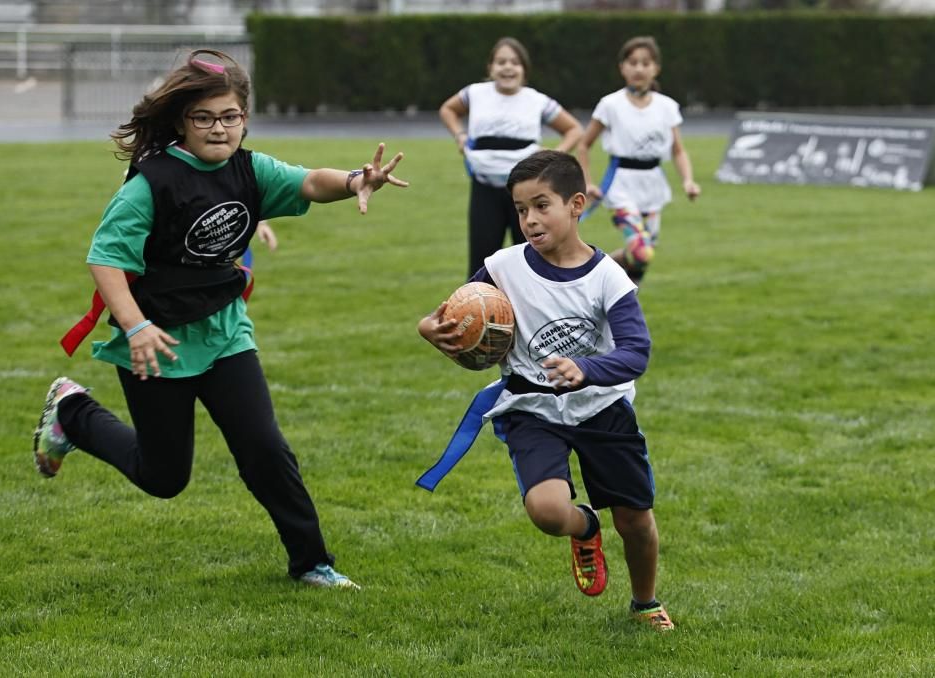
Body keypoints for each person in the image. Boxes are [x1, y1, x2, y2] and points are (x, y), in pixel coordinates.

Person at [34, 49, 407, 590]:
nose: (219, 128)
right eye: (204, 117)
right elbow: (106, 260)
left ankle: (311, 562)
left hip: (226, 330)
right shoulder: (151, 184)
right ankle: (74, 412)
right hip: (157, 339)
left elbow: (308, 182)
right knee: (164, 478)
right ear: (182, 122)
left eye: (229, 116)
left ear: (244, 118)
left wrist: (353, 181)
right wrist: (136, 327)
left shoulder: (250, 170)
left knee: (265, 449)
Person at [418, 150, 673, 631]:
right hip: (531, 407)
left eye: (541, 205)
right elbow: (463, 319)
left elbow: (637, 351)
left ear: (576, 204)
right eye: (520, 209)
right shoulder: (502, 268)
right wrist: (433, 330)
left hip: (601, 408)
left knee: (636, 521)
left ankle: (645, 602)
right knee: (548, 512)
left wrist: (587, 368)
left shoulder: (607, 277)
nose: (529, 220)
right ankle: (585, 527)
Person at [439, 37, 583, 278]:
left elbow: (574, 129)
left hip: (527, 194)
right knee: (482, 262)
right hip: (485, 187)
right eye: (501, 62)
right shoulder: (475, 93)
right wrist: (460, 135)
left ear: (524, 70)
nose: (507, 67)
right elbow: (448, 109)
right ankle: (478, 311)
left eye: (515, 62)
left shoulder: (536, 100)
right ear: (490, 68)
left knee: (534, 257)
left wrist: (551, 158)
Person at [575, 36, 700, 285]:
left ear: (656, 68)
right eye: (632, 62)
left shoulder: (667, 107)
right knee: (641, 250)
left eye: (646, 63)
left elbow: (678, 150)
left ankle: (620, 302)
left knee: (641, 259)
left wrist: (688, 181)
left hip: (654, 188)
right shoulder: (610, 104)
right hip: (621, 185)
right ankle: (595, 275)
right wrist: (587, 182)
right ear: (622, 68)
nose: (639, 68)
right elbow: (583, 145)